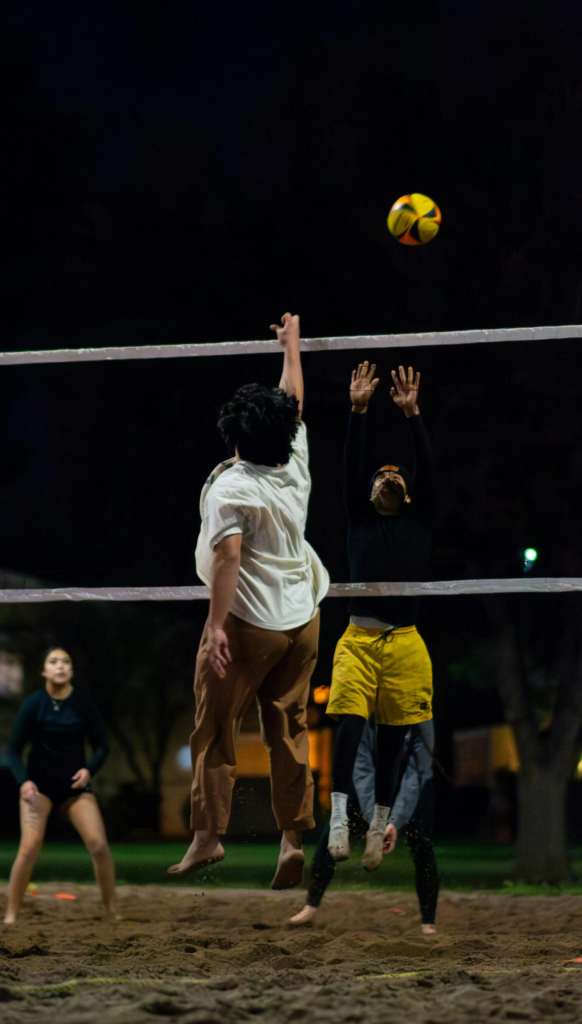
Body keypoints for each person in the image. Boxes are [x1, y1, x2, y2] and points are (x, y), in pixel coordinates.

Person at [168, 312, 329, 889]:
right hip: (304, 618)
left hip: (250, 623)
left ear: (235, 434)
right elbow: (295, 403)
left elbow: (229, 559)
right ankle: (291, 840)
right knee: (288, 729)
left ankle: (208, 838)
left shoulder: (233, 487)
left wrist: (215, 627)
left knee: (214, 728)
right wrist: (293, 348)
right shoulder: (295, 459)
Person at [326, 361, 433, 870]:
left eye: (395, 475)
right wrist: (359, 411)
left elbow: (427, 468)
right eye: (379, 475)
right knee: (348, 726)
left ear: (408, 494)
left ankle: (379, 826)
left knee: (394, 740)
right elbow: (352, 465)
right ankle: (339, 820)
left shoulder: (419, 524)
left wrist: (413, 415)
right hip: (358, 639)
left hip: (406, 642)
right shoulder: (359, 522)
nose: (385, 476)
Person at [289, 718, 439, 934]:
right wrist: (376, 823)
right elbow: (362, 771)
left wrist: (394, 822)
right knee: (333, 831)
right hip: (371, 788)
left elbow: (417, 772)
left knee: (421, 842)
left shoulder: (419, 709)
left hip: (413, 784)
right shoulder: (364, 711)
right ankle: (310, 907)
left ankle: (428, 922)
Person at [5, 647, 117, 924]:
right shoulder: (34, 704)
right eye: (53, 661)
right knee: (29, 847)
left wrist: (89, 771)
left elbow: (103, 746)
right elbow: (13, 750)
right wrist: (24, 782)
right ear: (44, 671)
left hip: (74, 790)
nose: (60, 666)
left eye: (66, 661)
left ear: (71, 671)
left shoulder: (83, 703)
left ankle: (113, 911)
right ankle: (11, 914)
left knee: (99, 845)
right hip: (39, 789)